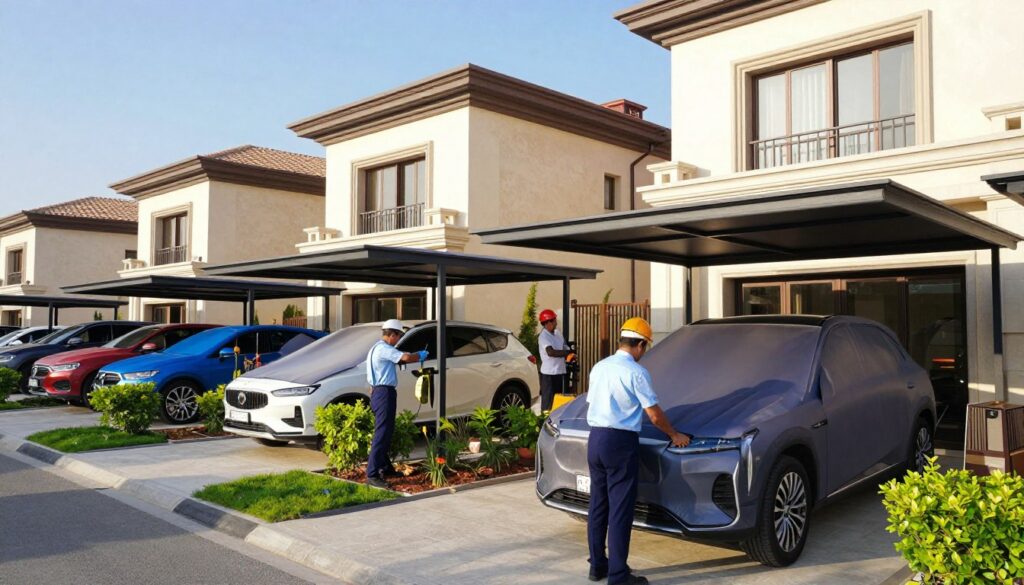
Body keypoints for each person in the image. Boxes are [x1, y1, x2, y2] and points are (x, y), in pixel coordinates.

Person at [585, 317, 689, 585]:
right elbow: (654, 416)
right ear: (641, 344)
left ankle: (598, 565)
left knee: (598, 504)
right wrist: (674, 435)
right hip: (620, 443)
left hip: (595, 439)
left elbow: (592, 402)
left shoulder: (599, 367)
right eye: (646, 347)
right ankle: (618, 576)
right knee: (620, 509)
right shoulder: (636, 372)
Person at [365, 319, 429, 489]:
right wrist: (419, 355)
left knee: (385, 432)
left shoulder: (375, 348)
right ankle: (372, 475)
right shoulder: (384, 349)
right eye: (399, 336)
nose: (398, 339)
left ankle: (385, 468)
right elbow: (406, 357)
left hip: (378, 392)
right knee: (382, 433)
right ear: (392, 334)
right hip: (384, 393)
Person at [538, 308, 573, 412]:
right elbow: (551, 352)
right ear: (547, 323)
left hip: (560, 371)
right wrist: (567, 353)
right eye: (554, 320)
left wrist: (568, 350)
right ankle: (544, 423)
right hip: (549, 374)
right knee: (548, 403)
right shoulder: (543, 337)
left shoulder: (557, 333)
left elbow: (563, 345)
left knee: (559, 401)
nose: (556, 322)